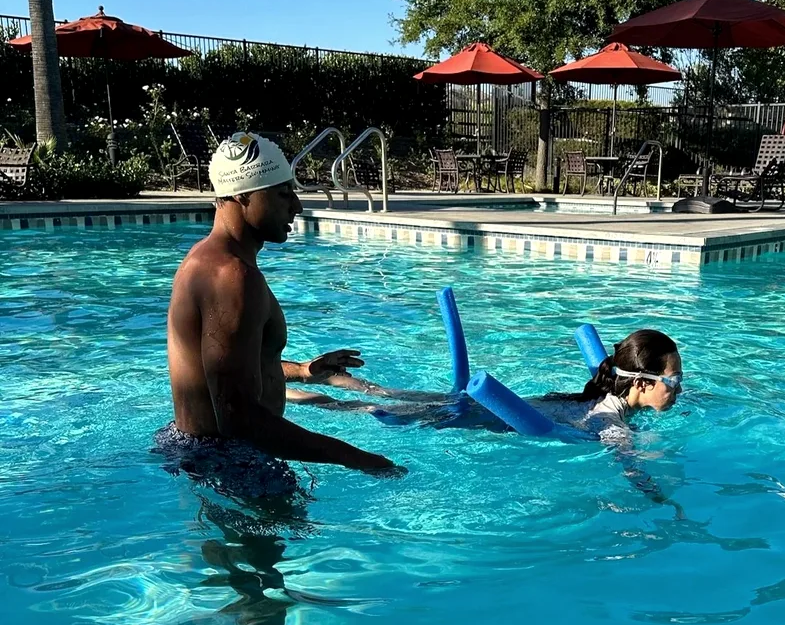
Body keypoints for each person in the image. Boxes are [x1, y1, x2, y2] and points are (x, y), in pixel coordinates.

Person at [157, 131, 405, 496]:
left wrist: (302, 371)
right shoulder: (232, 277)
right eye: (283, 193)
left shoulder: (207, 260)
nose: (297, 207)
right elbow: (237, 418)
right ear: (242, 194)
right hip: (231, 460)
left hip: (202, 450)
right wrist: (357, 458)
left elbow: (228, 373)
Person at [291, 329, 682, 445]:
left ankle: (327, 376)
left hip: (482, 404)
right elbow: (628, 462)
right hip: (476, 415)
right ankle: (292, 391)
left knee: (382, 394)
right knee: (364, 411)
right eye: (674, 380)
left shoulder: (597, 394)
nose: (679, 388)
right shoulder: (610, 420)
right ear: (644, 384)